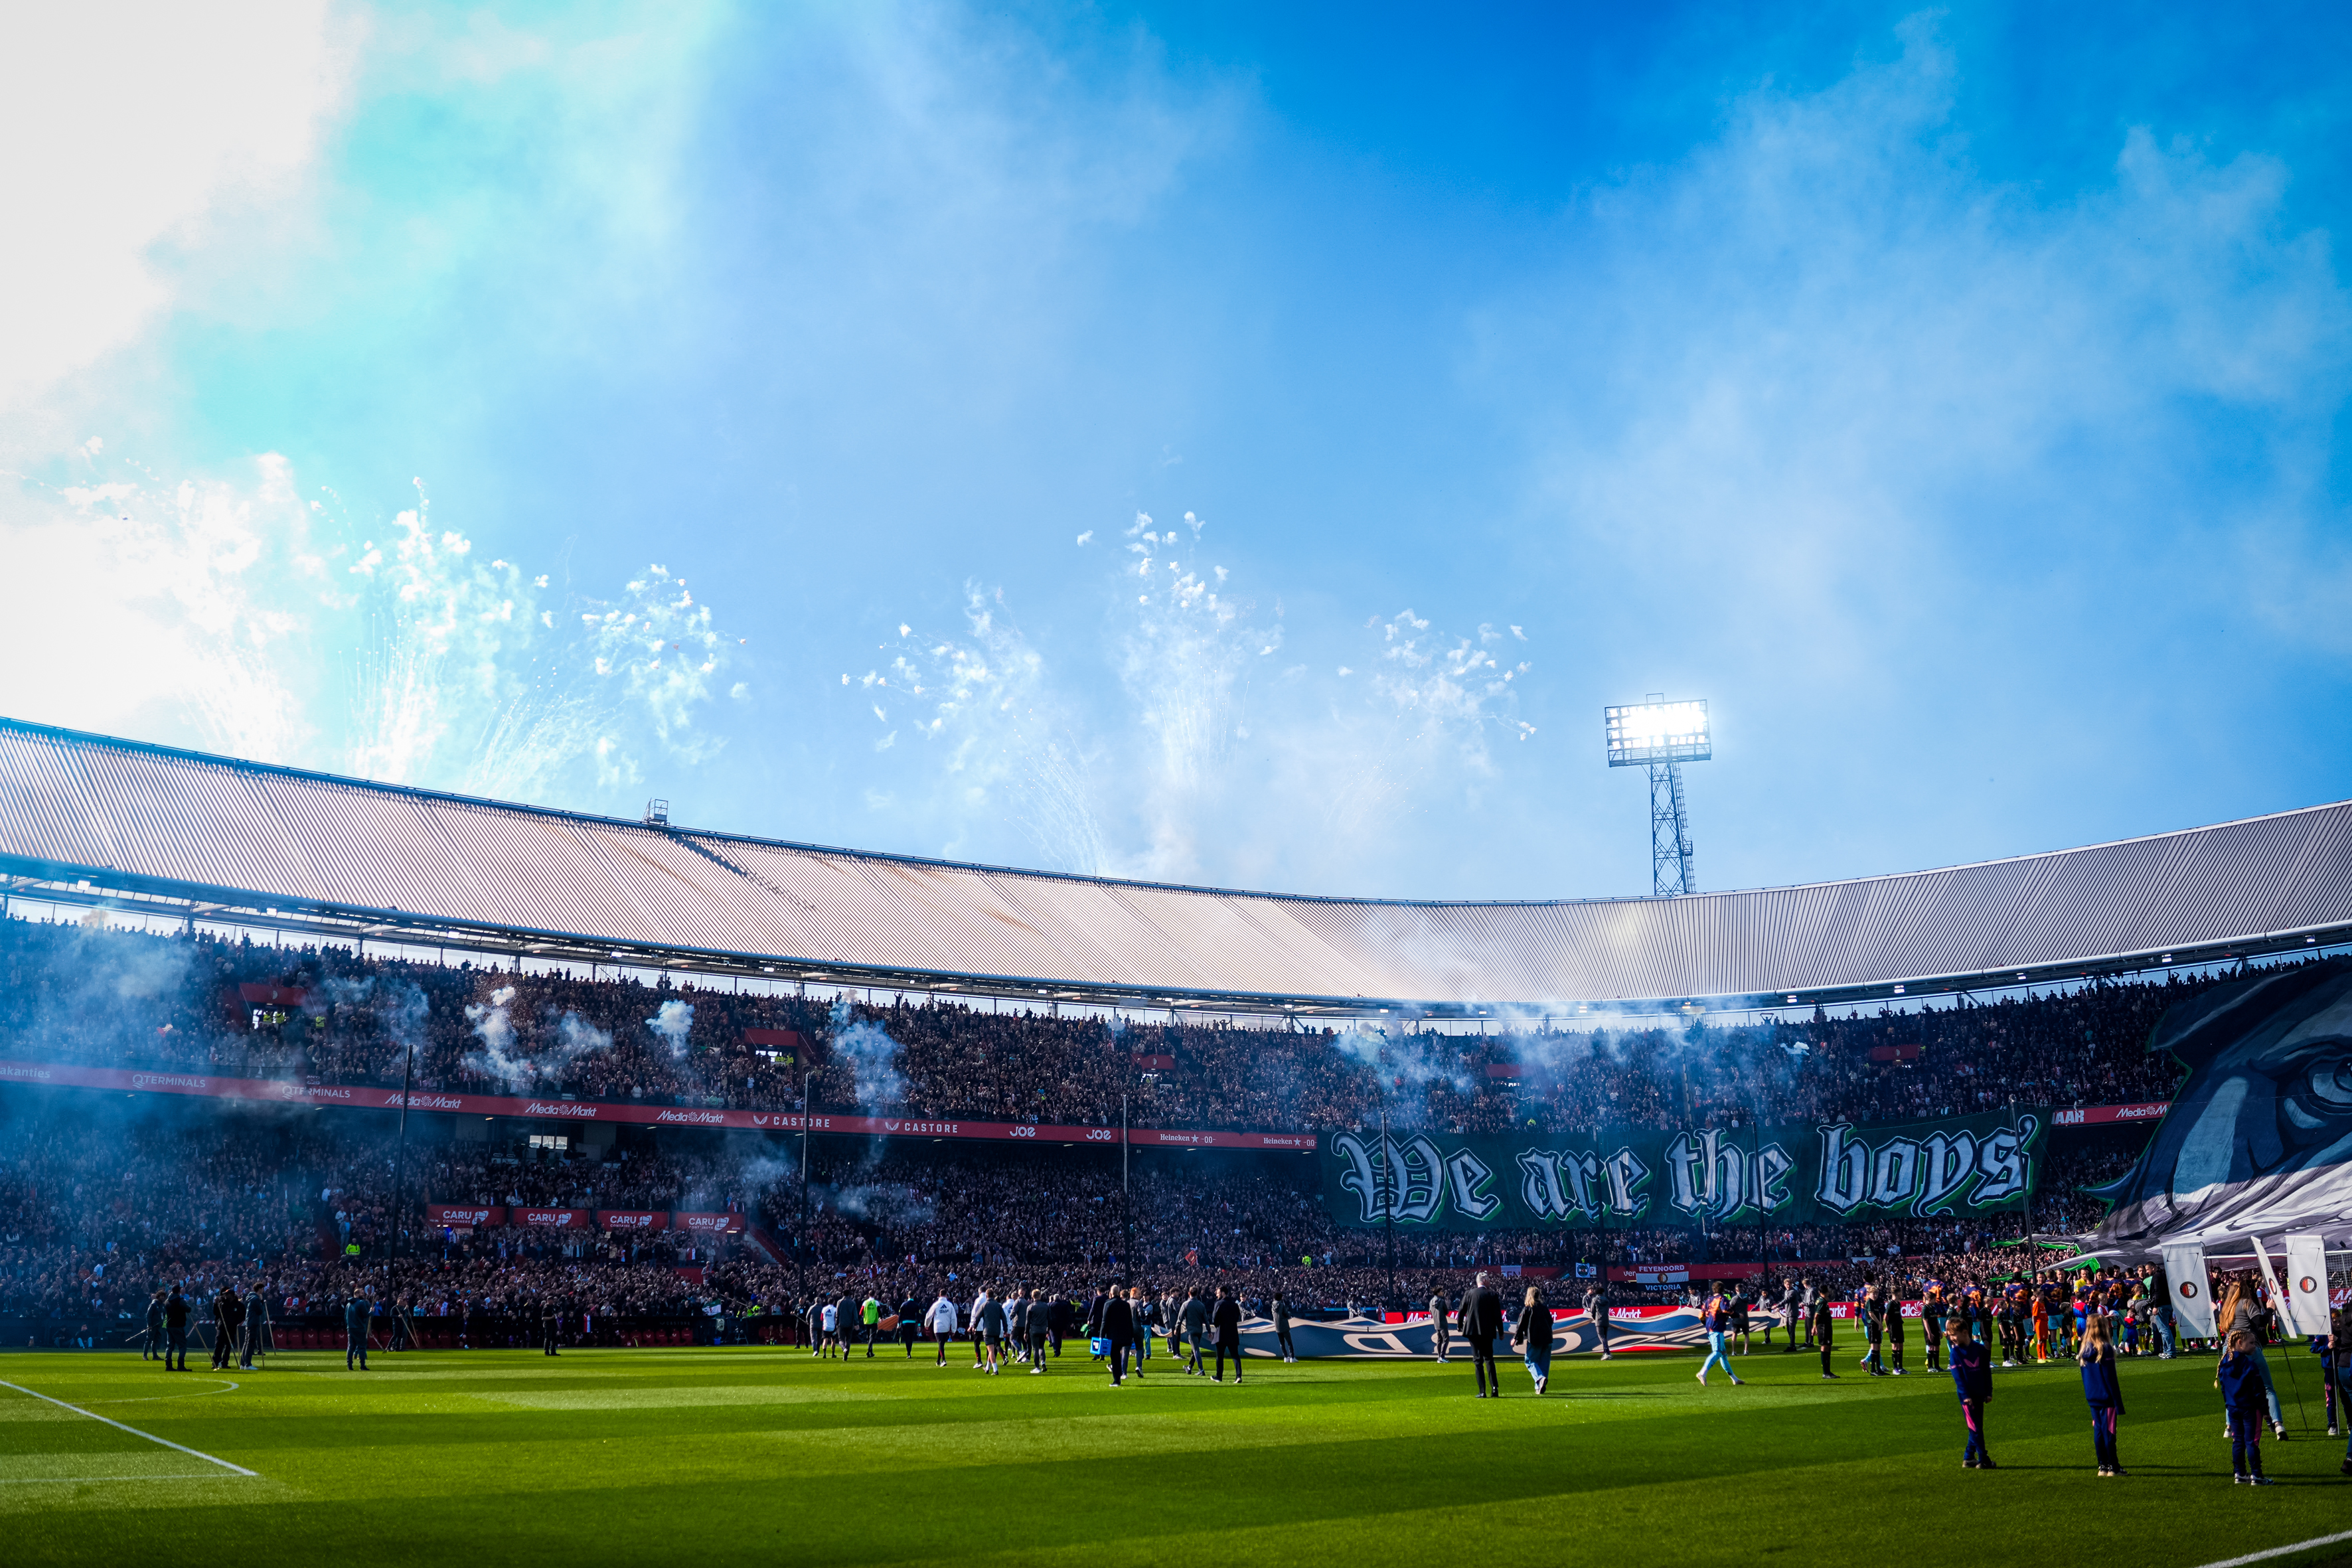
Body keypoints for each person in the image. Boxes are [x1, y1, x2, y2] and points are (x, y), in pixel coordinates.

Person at [2221, 1330, 2274, 1485]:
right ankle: (2257, 1475)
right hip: (2249, 1408)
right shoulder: (2250, 1365)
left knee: (2237, 1441)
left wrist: (2228, 1403)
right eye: (2251, 1343)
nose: (2254, 1346)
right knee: (2251, 1441)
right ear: (2240, 1343)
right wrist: (2265, 1411)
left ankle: (2240, 1473)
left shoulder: (2224, 1363)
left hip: (2233, 1407)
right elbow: (2259, 1391)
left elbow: (2224, 1388)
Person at [2079, 1318, 2126, 1476]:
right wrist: (2118, 1402)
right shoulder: (2104, 1348)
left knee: (2099, 1431)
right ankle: (2113, 1466)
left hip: (2092, 1396)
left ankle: (2103, 1465)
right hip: (2106, 1396)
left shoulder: (2084, 1349)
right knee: (2109, 1432)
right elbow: (2110, 1378)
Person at [1948, 1324, 1994, 1468]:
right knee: (1975, 1428)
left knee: (1976, 1427)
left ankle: (1968, 1458)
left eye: (1954, 1335)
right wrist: (1965, 1395)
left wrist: (1988, 1392)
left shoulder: (1980, 1350)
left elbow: (1987, 1373)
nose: (1952, 1339)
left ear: (1965, 1332)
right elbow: (1958, 1378)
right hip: (1966, 1398)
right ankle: (1983, 1459)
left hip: (1980, 1393)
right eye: (1950, 1335)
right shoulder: (1955, 1353)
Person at [1460, 1273, 1504, 1398]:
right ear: (1484, 1280)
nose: (1490, 1281)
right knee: (1489, 1359)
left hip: (1473, 1331)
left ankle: (1482, 1391)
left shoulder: (1469, 1293)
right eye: (1489, 1279)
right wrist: (1501, 1332)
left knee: (1478, 1361)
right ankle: (1495, 1388)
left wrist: (1459, 1325)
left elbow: (1461, 1310)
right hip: (1488, 1332)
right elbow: (1497, 1316)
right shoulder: (1492, 1294)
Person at [1697, 1288, 1744, 1388]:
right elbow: (1726, 1309)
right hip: (1717, 1329)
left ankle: (1735, 1379)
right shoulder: (1722, 1299)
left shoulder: (1708, 1300)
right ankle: (1703, 1373)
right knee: (1717, 1352)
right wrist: (1737, 1315)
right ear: (1723, 1290)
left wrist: (1707, 1324)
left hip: (1710, 1329)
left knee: (1723, 1355)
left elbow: (1701, 1315)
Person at [1513, 1286, 1553, 1395]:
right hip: (1547, 1339)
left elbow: (1520, 1325)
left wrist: (1515, 1338)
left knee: (1530, 1361)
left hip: (1535, 1339)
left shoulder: (1527, 1309)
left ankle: (1540, 1379)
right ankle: (1539, 1386)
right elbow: (1550, 1322)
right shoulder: (1544, 1308)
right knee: (1544, 1363)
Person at [1103, 1287, 1137, 1387]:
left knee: (1115, 1358)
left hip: (1113, 1335)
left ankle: (1117, 1380)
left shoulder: (1108, 1304)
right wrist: (1131, 1335)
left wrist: (1101, 1335)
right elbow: (1130, 1321)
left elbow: (1104, 1321)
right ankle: (1122, 1373)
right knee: (1123, 1355)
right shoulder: (1126, 1305)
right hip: (1125, 1334)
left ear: (1111, 1293)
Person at [1212, 1286, 1245, 1383]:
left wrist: (1218, 1325)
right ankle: (1239, 1376)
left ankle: (1219, 1377)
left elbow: (1214, 1319)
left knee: (1220, 1356)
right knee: (1235, 1355)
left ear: (1223, 1293)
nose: (1216, 1294)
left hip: (1221, 1333)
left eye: (1218, 1292)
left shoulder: (1219, 1304)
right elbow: (1237, 1318)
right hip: (1233, 1332)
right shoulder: (1235, 1305)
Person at [1179, 1287, 1210, 1376]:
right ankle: (1189, 1368)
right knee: (1194, 1350)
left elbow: (1180, 1319)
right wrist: (1209, 1330)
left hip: (1191, 1331)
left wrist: (1177, 1329)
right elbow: (1206, 1319)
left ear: (1189, 1293)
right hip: (1199, 1330)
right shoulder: (1201, 1305)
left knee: (1196, 1350)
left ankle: (1201, 1370)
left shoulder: (1186, 1304)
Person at [977, 1291, 1007, 1375]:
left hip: (988, 1331)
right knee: (992, 1349)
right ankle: (987, 1368)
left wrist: (974, 1327)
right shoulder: (998, 1306)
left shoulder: (984, 1305)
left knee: (991, 1351)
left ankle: (995, 1370)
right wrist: (1005, 1329)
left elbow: (977, 1317)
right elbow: (1004, 1318)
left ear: (987, 1296)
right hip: (997, 1330)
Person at [927, 1291, 959, 1366]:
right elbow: (954, 1318)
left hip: (938, 1327)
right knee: (941, 1343)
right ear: (946, 1295)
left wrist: (927, 1324)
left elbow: (929, 1315)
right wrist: (954, 1329)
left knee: (941, 1344)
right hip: (946, 1327)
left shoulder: (936, 1304)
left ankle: (943, 1360)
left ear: (939, 1295)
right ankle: (939, 1360)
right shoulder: (950, 1305)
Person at [163, 1285, 190, 1372]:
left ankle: (168, 1365)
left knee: (170, 1345)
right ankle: (181, 1365)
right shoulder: (179, 1300)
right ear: (179, 1292)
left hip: (169, 1325)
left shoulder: (167, 1301)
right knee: (183, 1345)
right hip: (178, 1325)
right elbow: (188, 1309)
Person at [1583, 1281, 1612, 1361]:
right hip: (1606, 1320)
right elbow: (1608, 1310)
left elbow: (1592, 1311)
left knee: (1602, 1337)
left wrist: (1594, 1318)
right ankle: (1606, 1353)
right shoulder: (1607, 1300)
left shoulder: (1595, 1300)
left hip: (1599, 1320)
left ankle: (1607, 1353)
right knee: (1605, 1338)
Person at [1812, 1291, 1837, 1380]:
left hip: (1826, 1326)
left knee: (1828, 1347)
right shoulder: (1821, 1302)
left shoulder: (1823, 1301)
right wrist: (1815, 1327)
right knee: (1825, 1347)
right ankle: (1825, 1372)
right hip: (1823, 1327)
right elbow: (1816, 1316)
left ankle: (1828, 1371)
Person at [242, 1287, 269, 1369]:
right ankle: (248, 1364)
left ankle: (243, 1364)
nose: (263, 1290)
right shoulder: (256, 1299)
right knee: (250, 1343)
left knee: (247, 1343)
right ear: (259, 1289)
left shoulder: (251, 1297)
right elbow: (260, 1311)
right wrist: (261, 1301)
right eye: (262, 1289)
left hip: (250, 1322)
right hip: (254, 1322)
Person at [345, 1289, 372, 1371]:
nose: (363, 1295)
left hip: (350, 1328)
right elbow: (365, 1315)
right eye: (362, 1293)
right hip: (359, 1328)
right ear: (356, 1294)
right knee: (362, 1347)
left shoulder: (348, 1304)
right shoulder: (361, 1303)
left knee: (351, 1347)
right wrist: (371, 1312)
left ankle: (350, 1366)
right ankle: (362, 1366)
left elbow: (345, 1317)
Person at [1429, 1287, 1452, 1364]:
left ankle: (1439, 1357)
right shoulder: (1442, 1301)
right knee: (1446, 1339)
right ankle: (1442, 1357)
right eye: (1441, 1292)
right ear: (1438, 1293)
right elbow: (1446, 1312)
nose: (1442, 1293)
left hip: (1436, 1323)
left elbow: (1430, 1311)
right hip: (1442, 1322)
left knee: (1439, 1340)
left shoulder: (1431, 1301)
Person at [1273, 1293, 1297, 1364]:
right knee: (1289, 1342)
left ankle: (1286, 1357)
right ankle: (1292, 1357)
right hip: (1284, 1325)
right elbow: (1286, 1314)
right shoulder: (1281, 1305)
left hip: (1277, 1326)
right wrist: (1289, 1315)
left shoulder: (1272, 1306)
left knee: (1282, 1343)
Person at [898, 1293, 921, 1358]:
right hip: (913, 1323)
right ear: (914, 1296)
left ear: (908, 1295)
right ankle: (909, 1352)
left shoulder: (904, 1304)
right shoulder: (916, 1305)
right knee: (911, 1338)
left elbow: (900, 1315)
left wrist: (898, 1324)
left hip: (905, 1323)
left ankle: (908, 1353)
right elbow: (918, 1316)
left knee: (907, 1338)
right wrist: (919, 1325)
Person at [862, 1293, 882, 1358]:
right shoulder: (876, 1302)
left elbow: (861, 1312)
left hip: (867, 1321)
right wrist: (881, 1317)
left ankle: (870, 1352)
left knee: (869, 1337)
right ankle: (869, 1351)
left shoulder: (865, 1302)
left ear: (868, 1295)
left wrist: (864, 1316)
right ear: (874, 1295)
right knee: (872, 1337)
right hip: (874, 1321)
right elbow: (879, 1311)